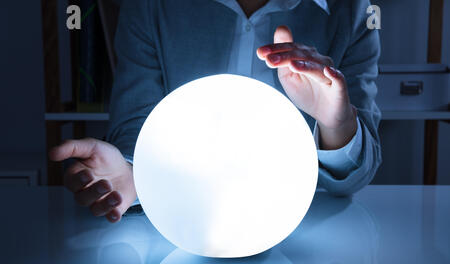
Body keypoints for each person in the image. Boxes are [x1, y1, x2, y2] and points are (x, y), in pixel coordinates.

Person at [49, 0, 382, 223]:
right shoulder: (151, 6)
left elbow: (357, 176)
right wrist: (135, 174)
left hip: (298, 232)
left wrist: (335, 124)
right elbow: (137, 124)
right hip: (182, 228)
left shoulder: (352, 12)